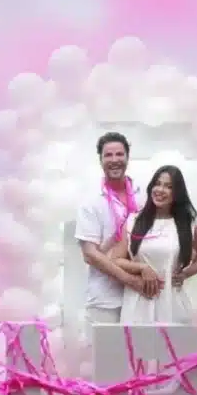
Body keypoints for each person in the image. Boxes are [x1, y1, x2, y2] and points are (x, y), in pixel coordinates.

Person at [74, 132, 161, 326]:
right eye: (108, 155)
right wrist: (131, 280)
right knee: (107, 347)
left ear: (128, 157)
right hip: (106, 299)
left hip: (144, 295)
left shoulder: (146, 194)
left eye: (119, 154)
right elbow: (90, 254)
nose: (114, 160)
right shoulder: (91, 201)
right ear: (100, 160)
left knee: (145, 346)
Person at [110, 165, 197, 324]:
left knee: (174, 340)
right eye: (157, 184)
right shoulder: (133, 221)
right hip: (139, 302)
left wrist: (185, 274)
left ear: (177, 193)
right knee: (136, 340)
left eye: (168, 186)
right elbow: (116, 259)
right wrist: (142, 268)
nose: (160, 190)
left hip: (172, 303)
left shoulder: (187, 225)